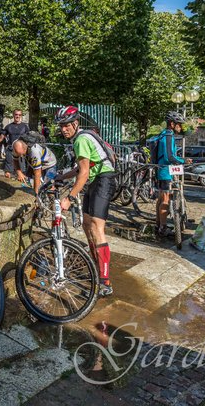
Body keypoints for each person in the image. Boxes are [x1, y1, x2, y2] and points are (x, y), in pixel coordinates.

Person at [54, 105, 117, 297]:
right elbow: (81, 168)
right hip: (97, 180)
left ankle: (105, 282)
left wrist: (70, 198)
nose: (63, 129)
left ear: (75, 123)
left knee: (97, 227)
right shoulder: (84, 136)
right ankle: (95, 268)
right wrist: (59, 178)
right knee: (86, 223)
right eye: (61, 126)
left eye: (66, 125)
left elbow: (84, 173)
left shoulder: (81, 140)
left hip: (103, 180)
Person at [153, 111, 188, 238]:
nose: (181, 127)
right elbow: (169, 156)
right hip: (165, 170)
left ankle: (158, 224)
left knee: (161, 198)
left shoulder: (163, 134)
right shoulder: (168, 136)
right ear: (172, 124)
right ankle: (163, 227)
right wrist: (183, 160)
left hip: (161, 169)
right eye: (179, 124)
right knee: (166, 200)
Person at [0, 109, 30, 179]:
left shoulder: (25, 127)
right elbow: (0, 138)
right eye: (16, 114)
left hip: (21, 153)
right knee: (8, 174)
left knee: (22, 174)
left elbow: (28, 140)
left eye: (19, 115)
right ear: (13, 115)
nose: (18, 116)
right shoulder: (8, 126)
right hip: (10, 151)